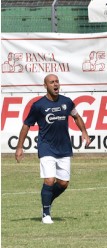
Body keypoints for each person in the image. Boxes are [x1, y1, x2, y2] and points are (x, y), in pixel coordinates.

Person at [15, 74, 90, 224]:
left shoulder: (67, 102)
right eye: (52, 82)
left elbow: (76, 116)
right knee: (49, 180)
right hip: (46, 147)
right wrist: (19, 146)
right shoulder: (38, 105)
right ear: (45, 86)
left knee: (63, 183)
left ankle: (47, 200)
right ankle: (46, 213)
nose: (56, 84)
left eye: (57, 82)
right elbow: (26, 125)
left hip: (64, 147)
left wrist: (84, 131)